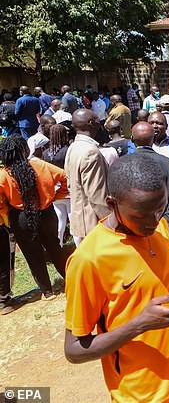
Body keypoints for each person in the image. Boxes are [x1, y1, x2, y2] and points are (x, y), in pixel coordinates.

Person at [64, 153, 169, 402]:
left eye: (159, 209)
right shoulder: (89, 259)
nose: (152, 221)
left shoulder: (160, 228)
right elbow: (74, 350)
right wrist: (140, 324)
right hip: (139, 396)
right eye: (140, 215)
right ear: (112, 204)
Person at [0, 135, 68, 302]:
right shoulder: (39, 164)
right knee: (54, 247)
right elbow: (65, 177)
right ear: (26, 150)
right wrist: (55, 196)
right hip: (46, 212)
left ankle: (47, 292)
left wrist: (6, 211)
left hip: (21, 218)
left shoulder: (4, 175)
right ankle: (71, 279)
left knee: (33, 255)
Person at [131, 122, 169, 251]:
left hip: (135, 228)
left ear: (132, 139)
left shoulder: (122, 165)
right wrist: (164, 223)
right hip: (167, 228)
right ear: (154, 139)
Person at [65, 109, 110, 245]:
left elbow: (69, 183)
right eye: (97, 119)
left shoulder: (73, 147)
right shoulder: (91, 151)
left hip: (80, 216)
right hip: (94, 221)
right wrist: (110, 222)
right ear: (91, 123)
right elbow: (96, 194)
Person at [42, 124, 72, 247]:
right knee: (74, 221)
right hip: (68, 190)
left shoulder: (45, 153)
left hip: (54, 191)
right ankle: (78, 246)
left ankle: (59, 245)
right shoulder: (68, 150)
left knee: (60, 220)